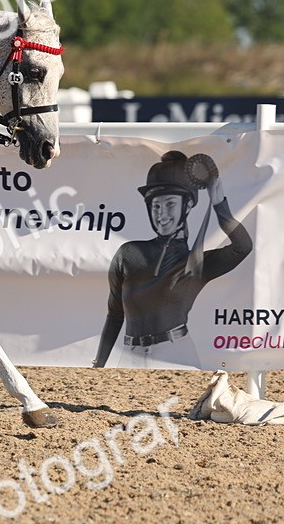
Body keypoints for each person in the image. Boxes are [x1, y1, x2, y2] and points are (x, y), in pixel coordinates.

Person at [93, 150, 253, 368]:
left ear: (187, 206)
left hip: (176, 354)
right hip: (130, 357)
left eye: (170, 204)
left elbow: (242, 247)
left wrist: (218, 203)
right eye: (155, 206)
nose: (161, 213)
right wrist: (99, 363)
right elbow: (115, 314)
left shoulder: (198, 263)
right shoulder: (128, 253)